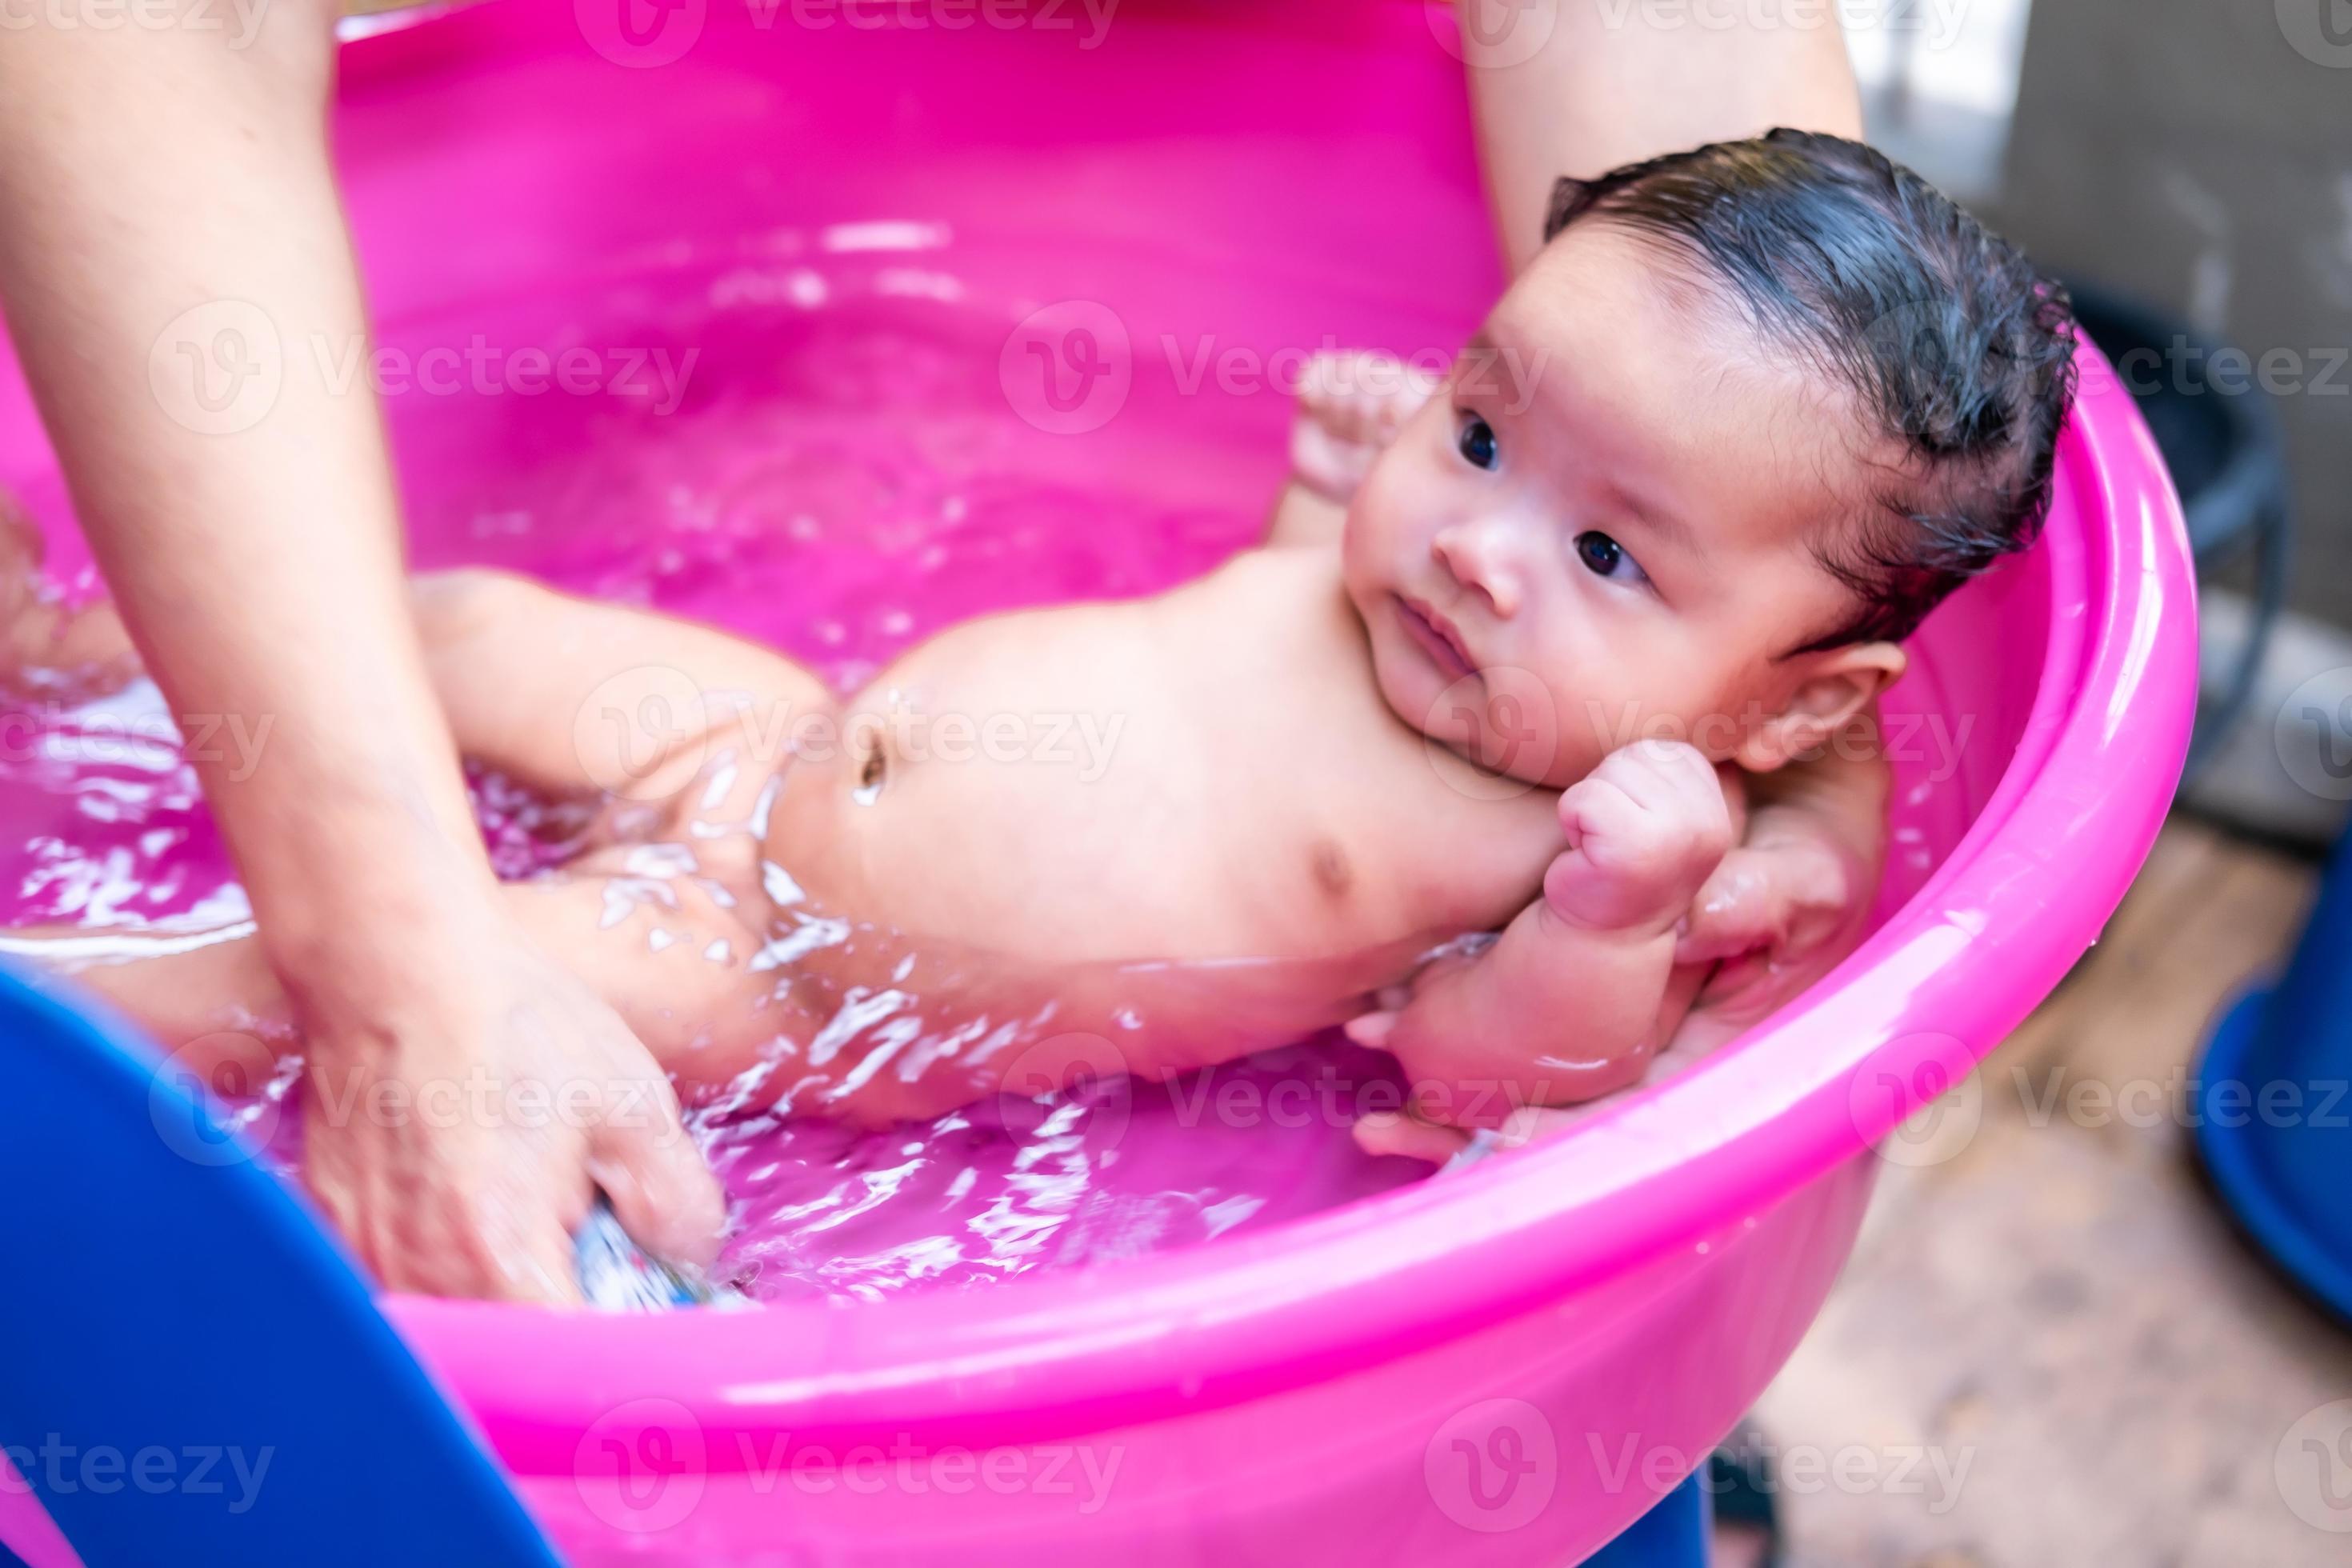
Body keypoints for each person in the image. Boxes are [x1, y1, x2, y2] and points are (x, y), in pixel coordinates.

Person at [0, 0, 1872, 1296]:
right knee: (465, 627)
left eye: (1612, 547)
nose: (1477, 541)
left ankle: (57, 994)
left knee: (399, 976)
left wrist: (1615, 933)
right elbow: (1234, 664)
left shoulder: (1573, 842)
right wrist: (1327, 489)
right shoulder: (1446, 587)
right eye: (1478, 432)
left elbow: (1467, 1069)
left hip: (798, 969)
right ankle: (90, 647)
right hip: (771, 745)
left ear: (1796, 699)